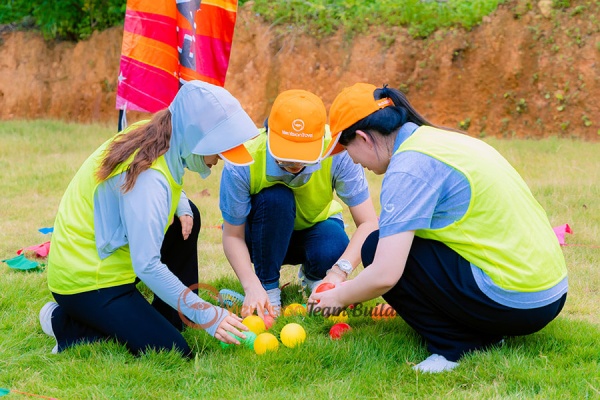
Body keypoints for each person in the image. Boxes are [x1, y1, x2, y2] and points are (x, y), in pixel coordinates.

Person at [310, 83, 568, 373]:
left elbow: (385, 274)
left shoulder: (409, 166)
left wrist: (339, 296)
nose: (353, 160)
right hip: (550, 292)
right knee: (392, 241)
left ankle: (456, 346)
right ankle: (484, 328)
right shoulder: (440, 140)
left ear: (364, 138)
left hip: (517, 300)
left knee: (375, 247)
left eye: (348, 149)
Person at [40, 80, 259, 357]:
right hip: (88, 279)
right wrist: (206, 314)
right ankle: (62, 321)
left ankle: (169, 316)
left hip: (110, 255)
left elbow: (160, 176)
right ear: (194, 139)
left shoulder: (155, 134)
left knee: (190, 214)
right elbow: (147, 265)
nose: (219, 160)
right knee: (173, 351)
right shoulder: (149, 182)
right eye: (218, 151)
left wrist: (181, 205)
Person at [219, 89, 379, 317]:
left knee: (334, 244)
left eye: (302, 155)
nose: (293, 163)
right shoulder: (243, 159)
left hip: (314, 231)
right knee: (277, 198)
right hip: (261, 236)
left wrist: (337, 273)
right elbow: (232, 235)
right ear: (269, 133)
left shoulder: (337, 151)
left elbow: (369, 223)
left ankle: (314, 278)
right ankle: (268, 288)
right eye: (285, 155)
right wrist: (251, 286)